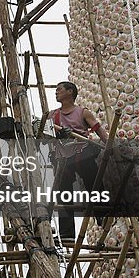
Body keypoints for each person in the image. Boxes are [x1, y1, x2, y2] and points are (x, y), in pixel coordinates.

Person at [51, 81, 109, 239]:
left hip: (81, 153)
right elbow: (45, 132)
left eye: (59, 89)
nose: (56, 92)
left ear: (70, 92)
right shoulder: (53, 115)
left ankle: (102, 215)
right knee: (64, 195)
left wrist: (111, 146)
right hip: (62, 157)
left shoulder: (83, 112)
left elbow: (100, 131)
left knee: (94, 184)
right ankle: (66, 233)